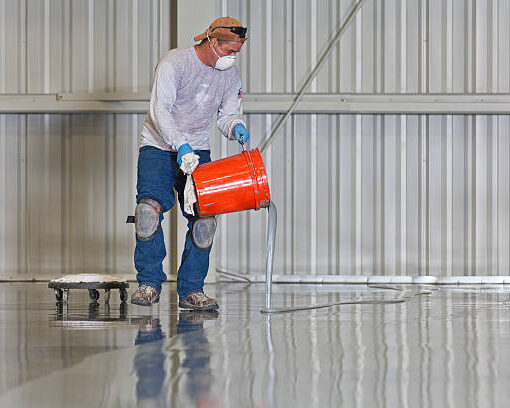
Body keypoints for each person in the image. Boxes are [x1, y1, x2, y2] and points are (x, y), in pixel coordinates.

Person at [131, 17, 250, 310]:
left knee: (205, 221)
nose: (232, 57)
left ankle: (192, 291)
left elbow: (226, 114)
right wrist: (179, 144)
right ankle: (148, 284)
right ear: (212, 42)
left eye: (236, 52)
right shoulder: (175, 63)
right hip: (158, 147)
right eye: (229, 51)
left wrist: (235, 126)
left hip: (198, 152)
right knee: (147, 213)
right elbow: (161, 111)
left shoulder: (229, 77)